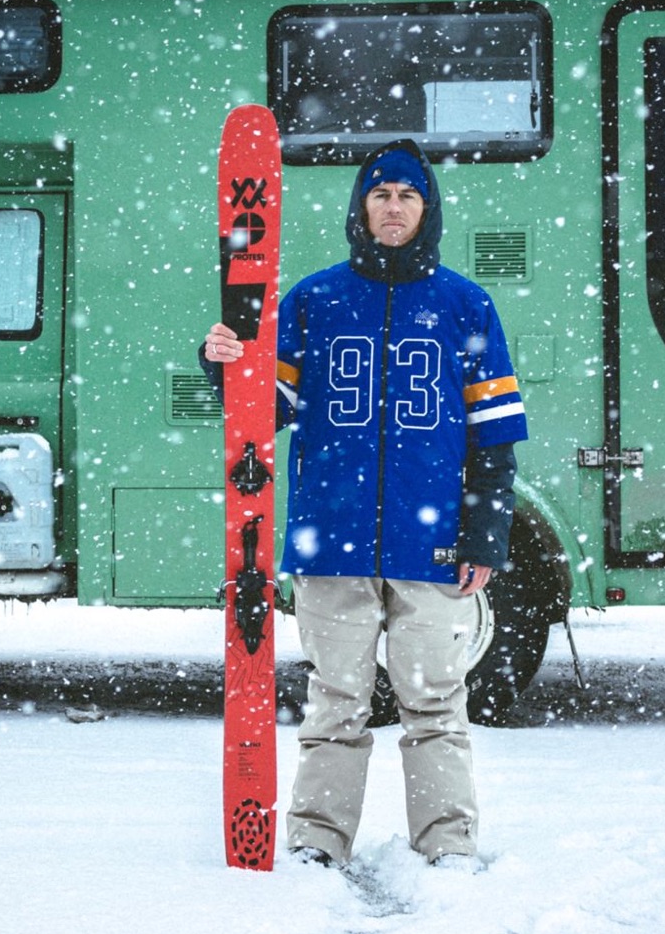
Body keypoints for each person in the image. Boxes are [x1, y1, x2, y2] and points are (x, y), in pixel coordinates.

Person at [201, 139, 526, 868]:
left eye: (408, 196)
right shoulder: (314, 301)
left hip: (432, 541)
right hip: (331, 537)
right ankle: (318, 841)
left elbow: (494, 437)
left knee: (435, 704)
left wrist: (485, 537)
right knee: (335, 702)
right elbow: (261, 411)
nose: (393, 208)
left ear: (427, 210)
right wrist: (223, 359)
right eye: (380, 195)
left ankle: (448, 845)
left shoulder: (465, 304)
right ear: (360, 208)